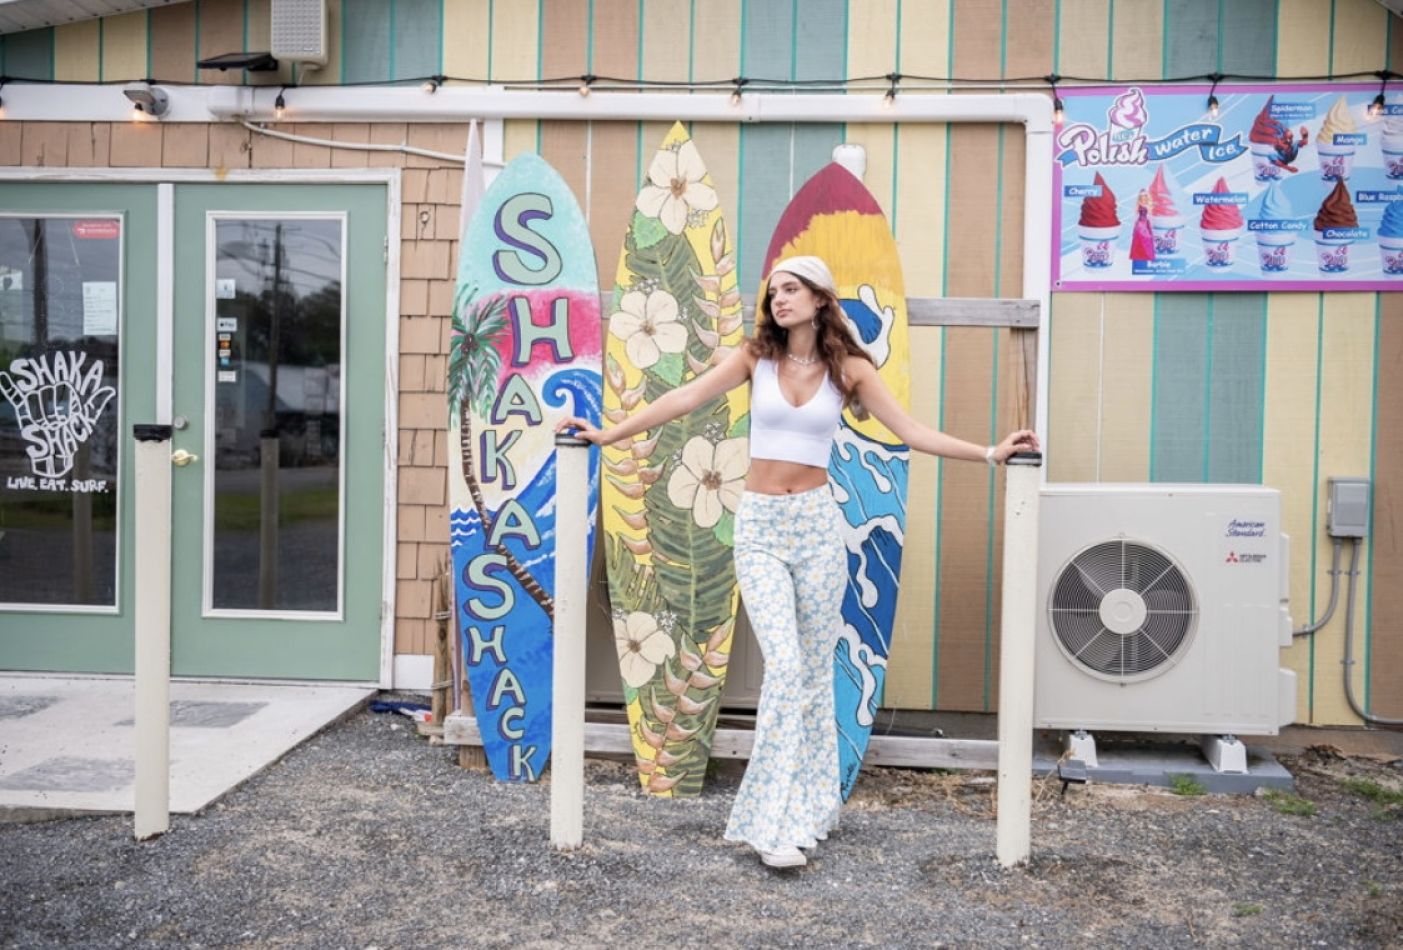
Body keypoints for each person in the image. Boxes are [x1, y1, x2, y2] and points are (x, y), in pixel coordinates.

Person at [557, 256, 1039, 869]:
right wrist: (608, 434)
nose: (779, 299)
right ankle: (769, 823)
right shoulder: (754, 358)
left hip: (816, 527)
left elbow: (911, 432)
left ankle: (811, 811)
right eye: (774, 292)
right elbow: (684, 397)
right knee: (784, 669)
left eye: (791, 290)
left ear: (819, 300)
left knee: (813, 677)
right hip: (760, 526)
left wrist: (991, 452)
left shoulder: (851, 370)